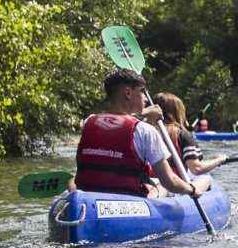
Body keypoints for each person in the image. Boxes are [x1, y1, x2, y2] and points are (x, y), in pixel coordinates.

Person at [74, 70, 206, 198]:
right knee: (166, 185)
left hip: (89, 195)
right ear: (128, 93)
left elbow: (116, 119)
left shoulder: (88, 122)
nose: (145, 98)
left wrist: (143, 113)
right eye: (142, 91)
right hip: (129, 199)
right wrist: (192, 189)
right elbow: (169, 181)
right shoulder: (145, 130)